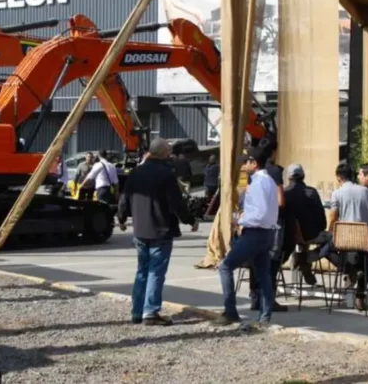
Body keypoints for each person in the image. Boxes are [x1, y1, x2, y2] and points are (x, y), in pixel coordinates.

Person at [117, 138, 195, 325]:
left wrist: (121, 218)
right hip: (160, 229)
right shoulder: (166, 174)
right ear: (162, 154)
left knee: (142, 271)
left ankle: (137, 311)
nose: (170, 154)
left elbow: (125, 198)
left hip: (140, 229)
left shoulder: (135, 172)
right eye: (168, 151)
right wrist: (190, 220)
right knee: (155, 272)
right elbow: (176, 203)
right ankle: (150, 312)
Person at [213, 146, 279, 326]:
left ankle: (230, 310)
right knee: (263, 275)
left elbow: (259, 214)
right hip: (268, 233)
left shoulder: (257, 183)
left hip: (255, 232)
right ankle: (265, 316)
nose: (243, 165)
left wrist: (239, 222)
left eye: (246, 161)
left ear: (254, 163)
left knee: (225, 267)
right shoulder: (271, 182)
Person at [324, 163, 368, 311]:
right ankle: (360, 295)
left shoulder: (337, 193)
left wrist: (330, 230)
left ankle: (349, 270)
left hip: (344, 238)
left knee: (325, 250)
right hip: (364, 238)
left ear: (338, 178)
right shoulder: (365, 191)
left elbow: (333, 214)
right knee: (364, 260)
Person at [248, 138, 289, 312]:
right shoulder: (275, 171)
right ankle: (269, 298)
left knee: (255, 258)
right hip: (273, 222)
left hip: (255, 221)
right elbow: (281, 201)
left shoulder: (254, 174)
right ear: (273, 152)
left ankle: (255, 297)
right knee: (272, 261)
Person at [283, 163, 327, 286]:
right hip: (310, 235)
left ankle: (302, 260)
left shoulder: (284, 194)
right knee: (332, 240)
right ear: (303, 176)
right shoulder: (312, 192)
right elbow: (322, 220)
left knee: (300, 239)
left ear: (289, 178)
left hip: (289, 236)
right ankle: (305, 259)